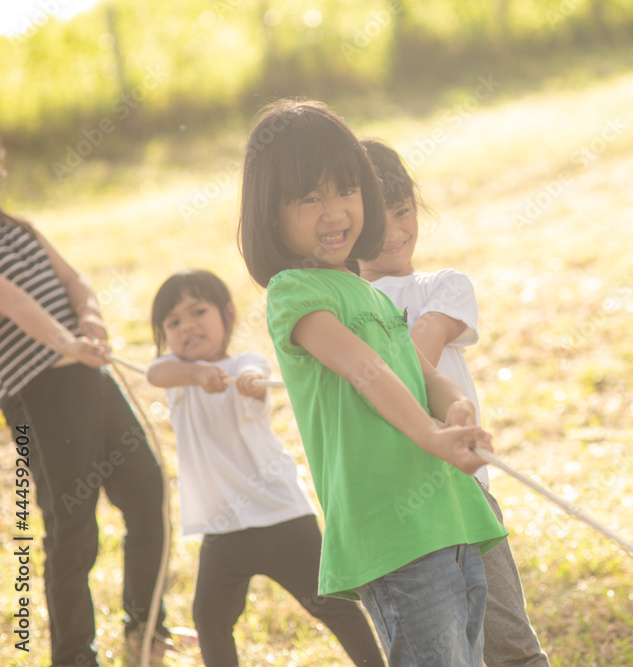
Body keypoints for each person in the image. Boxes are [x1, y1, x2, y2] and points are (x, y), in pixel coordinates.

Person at [237, 99, 508, 666]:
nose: (334, 211)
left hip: (450, 518)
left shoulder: (367, 290)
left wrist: (457, 409)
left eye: (345, 190)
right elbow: (366, 370)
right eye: (310, 197)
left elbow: (421, 373)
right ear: (270, 213)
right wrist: (432, 439)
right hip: (395, 536)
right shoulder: (296, 293)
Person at [358, 138, 550, 667]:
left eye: (403, 212)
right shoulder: (341, 306)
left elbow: (423, 349)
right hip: (401, 516)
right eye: (379, 222)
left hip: (465, 495)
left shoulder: (443, 286)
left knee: (512, 646)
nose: (396, 232)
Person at [146, 269, 385, 667]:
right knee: (209, 617)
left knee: (332, 604)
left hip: (281, 517)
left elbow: (259, 376)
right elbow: (155, 371)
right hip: (223, 529)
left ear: (227, 314)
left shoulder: (245, 364)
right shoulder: (177, 377)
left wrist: (251, 381)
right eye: (173, 322)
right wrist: (199, 375)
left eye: (198, 311)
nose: (187, 325)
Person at [0, 151, 172, 667]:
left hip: (87, 377)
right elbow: (15, 304)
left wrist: (90, 320)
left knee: (146, 489)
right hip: (39, 395)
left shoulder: (19, 228)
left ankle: (145, 626)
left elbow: (74, 280)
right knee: (73, 527)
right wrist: (66, 343)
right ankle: (75, 654)